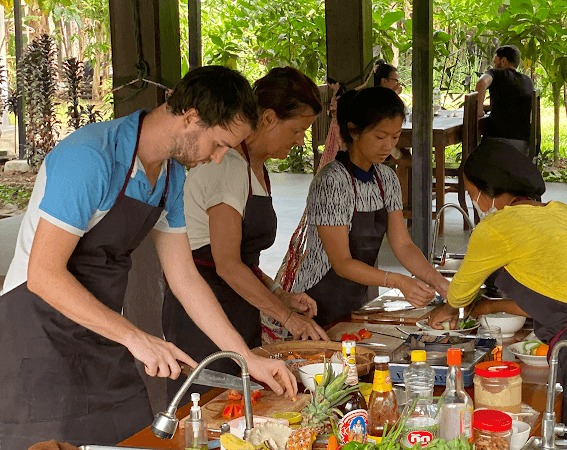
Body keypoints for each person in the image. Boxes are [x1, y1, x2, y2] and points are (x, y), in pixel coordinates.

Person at [0, 66, 297, 449]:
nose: (221, 158)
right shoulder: (90, 158)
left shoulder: (171, 176)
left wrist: (245, 359)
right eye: (220, 143)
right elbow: (44, 274)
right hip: (37, 334)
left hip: (102, 333)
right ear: (191, 117)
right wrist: (137, 339)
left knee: (138, 439)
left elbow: (185, 278)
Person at [428, 140, 567, 445]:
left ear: (486, 190)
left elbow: (459, 294)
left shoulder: (497, 227)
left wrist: (447, 309)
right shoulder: (563, 214)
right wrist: (487, 307)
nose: (472, 200)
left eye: (470, 192)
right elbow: (559, 294)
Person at [161, 67, 329, 402]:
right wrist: (287, 318)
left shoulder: (255, 167)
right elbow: (225, 264)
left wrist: (279, 293)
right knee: (211, 408)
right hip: (205, 308)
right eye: (297, 130)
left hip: (237, 304)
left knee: (242, 406)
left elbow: (242, 260)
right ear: (268, 118)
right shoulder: (229, 165)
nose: (301, 140)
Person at [292, 87, 449, 327]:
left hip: (356, 296)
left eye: (395, 137)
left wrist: (438, 282)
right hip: (315, 300)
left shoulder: (386, 178)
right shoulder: (331, 181)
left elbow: (403, 244)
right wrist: (398, 281)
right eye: (379, 136)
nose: (388, 146)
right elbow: (342, 262)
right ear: (354, 131)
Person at [475, 45, 535, 159]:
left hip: (499, 143)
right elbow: (513, 102)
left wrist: (479, 111)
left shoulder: (496, 73)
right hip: (523, 147)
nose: (494, 65)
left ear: (503, 60)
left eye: (495, 62)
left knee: (474, 157)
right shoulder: (528, 81)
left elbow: (481, 83)